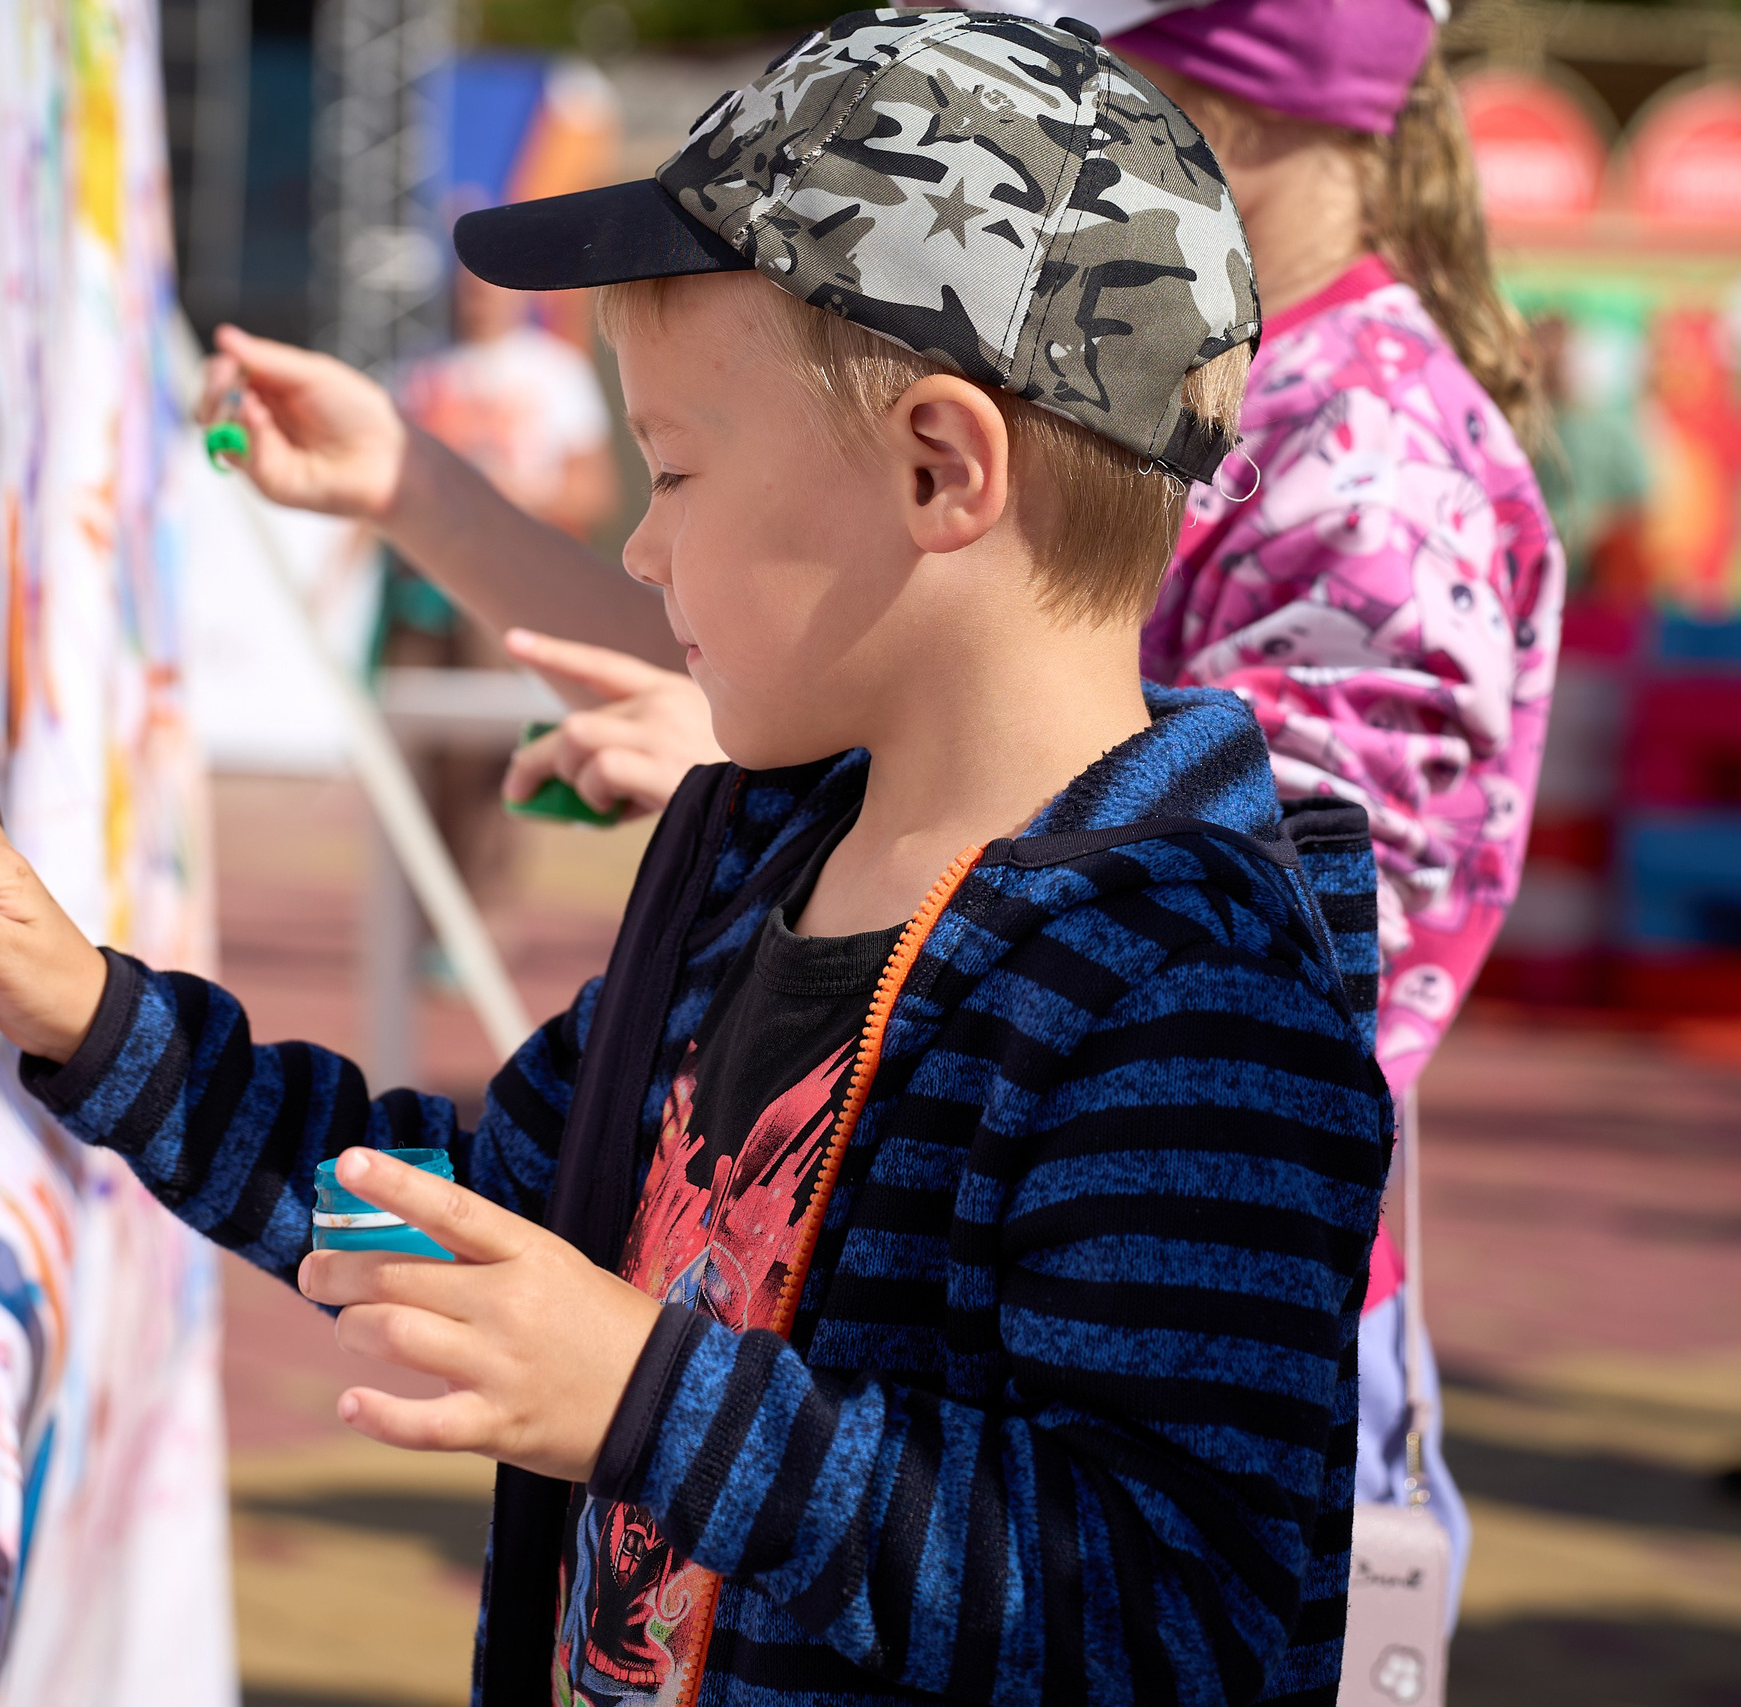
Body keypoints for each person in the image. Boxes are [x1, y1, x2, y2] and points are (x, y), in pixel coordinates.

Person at [0, 17, 1393, 1704]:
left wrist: (652, 1404)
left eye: (675, 470)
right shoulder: (753, 866)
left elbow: (1172, 1610)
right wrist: (99, 1021)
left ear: (942, 467)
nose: (642, 548)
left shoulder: (1187, 992)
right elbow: (481, 1208)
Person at [212, 0, 1559, 1610]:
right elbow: (797, 600)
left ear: (1231, 119)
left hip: (1166, 1296)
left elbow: (1312, 937)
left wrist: (657, 1399)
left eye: (1097, 79)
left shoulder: (1373, 473)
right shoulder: (815, 817)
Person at [381, 267, 621, 898]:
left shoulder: (554, 373)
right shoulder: (421, 371)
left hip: (503, 588)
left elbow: (595, 491)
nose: (476, 297)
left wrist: (518, 493)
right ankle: (423, 914)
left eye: (487, 283)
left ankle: (482, 912)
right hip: (422, 594)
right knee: (413, 753)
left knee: (490, 754)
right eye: (464, 284)